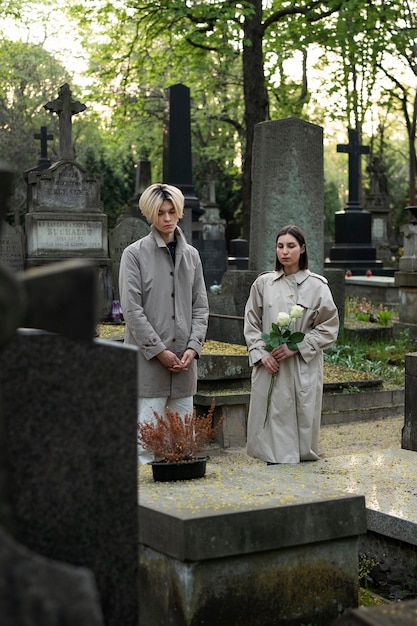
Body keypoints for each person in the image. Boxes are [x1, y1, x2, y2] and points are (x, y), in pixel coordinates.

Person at [119, 183, 209, 465]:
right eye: (160, 212)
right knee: (146, 446)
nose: (167, 218)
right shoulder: (134, 255)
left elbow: (201, 307)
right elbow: (132, 310)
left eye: (172, 211)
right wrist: (160, 351)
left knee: (183, 447)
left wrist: (192, 349)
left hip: (184, 366)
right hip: (149, 367)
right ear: (149, 214)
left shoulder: (192, 256)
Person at [244, 225, 339, 464]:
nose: (284, 252)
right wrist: (259, 353)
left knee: (301, 425)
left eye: (291, 246)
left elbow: (329, 326)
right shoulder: (264, 284)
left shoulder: (317, 286)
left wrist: (297, 346)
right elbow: (251, 322)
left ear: (302, 249)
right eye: (280, 246)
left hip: (301, 367)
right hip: (270, 364)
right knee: (270, 427)